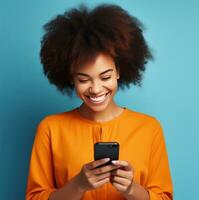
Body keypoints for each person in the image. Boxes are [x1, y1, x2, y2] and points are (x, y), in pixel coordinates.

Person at [25, 4, 173, 200]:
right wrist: (78, 185)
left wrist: (131, 189)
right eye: (83, 79)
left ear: (119, 71)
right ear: (71, 78)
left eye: (105, 77)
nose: (95, 89)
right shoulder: (50, 129)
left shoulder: (149, 128)